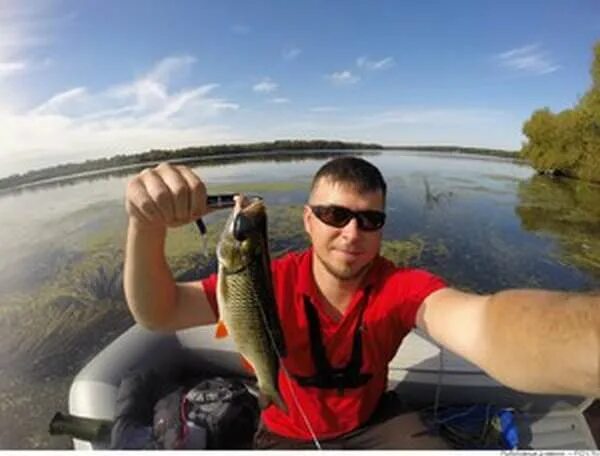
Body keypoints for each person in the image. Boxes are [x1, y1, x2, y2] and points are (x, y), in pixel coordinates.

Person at [124, 157, 599, 449]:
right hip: (284, 434)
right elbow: (159, 311)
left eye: (370, 220)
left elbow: (487, 325)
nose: (352, 233)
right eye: (336, 215)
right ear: (309, 221)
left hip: (376, 424)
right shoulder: (262, 278)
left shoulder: (398, 287)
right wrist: (146, 226)